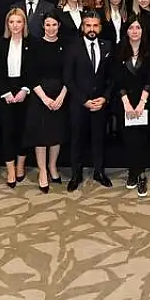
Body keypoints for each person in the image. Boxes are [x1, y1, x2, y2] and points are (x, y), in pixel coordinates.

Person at [64, 13, 112, 191]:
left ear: (100, 27)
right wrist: (83, 100)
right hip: (79, 103)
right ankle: (76, 174)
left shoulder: (107, 45)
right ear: (82, 27)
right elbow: (68, 79)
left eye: (95, 25)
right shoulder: (72, 47)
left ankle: (99, 172)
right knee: (77, 139)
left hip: (100, 103)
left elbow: (112, 77)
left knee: (99, 139)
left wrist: (105, 97)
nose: (92, 29)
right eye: (88, 25)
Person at [25, 14, 68, 193]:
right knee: (41, 135)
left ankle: (52, 166)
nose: (51, 28)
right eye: (47, 25)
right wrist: (44, 98)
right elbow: (30, 74)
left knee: (56, 133)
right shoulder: (35, 45)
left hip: (60, 95)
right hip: (40, 95)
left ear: (59, 25)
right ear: (43, 26)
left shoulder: (66, 45)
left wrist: (62, 96)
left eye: (54, 24)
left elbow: (69, 73)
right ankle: (42, 170)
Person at [114, 19, 150, 197]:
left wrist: (141, 103)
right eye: (131, 28)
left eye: (138, 27)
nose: (135, 31)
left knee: (142, 139)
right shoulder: (118, 50)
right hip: (124, 102)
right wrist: (126, 103)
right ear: (126, 31)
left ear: (142, 30)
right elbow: (117, 78)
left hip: (143, 102)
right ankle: (133, 171)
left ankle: (141, 174)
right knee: (129, 139)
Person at [0, 8, 33, 187]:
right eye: (12, 22)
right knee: (8, 132)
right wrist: (6, 92)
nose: (15, 25)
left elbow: (33, 69)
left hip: (25, 90)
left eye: (19, 22)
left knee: (23, 131)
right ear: (7, 24)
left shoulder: (31, 43)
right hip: (5, 91)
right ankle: (10, 169)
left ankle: (20, 166)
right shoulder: (0, 44)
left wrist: (25, 90)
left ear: (24, 24)